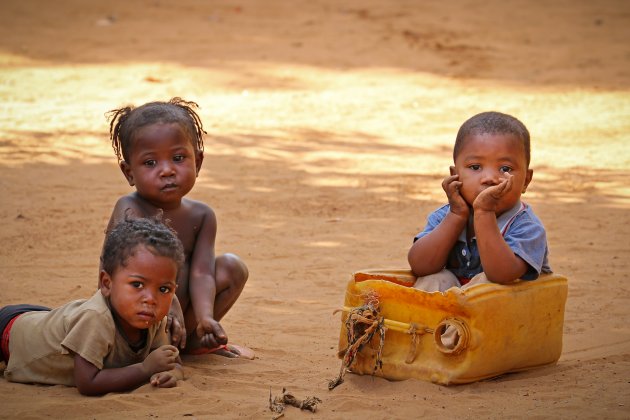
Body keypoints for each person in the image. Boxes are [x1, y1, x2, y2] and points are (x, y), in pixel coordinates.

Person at [102, 98, 252, 359]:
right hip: (133, 321)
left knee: (231, 267)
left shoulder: (202, 216)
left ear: (199, 162)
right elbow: (135, 276)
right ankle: (150, 351)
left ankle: (195, 340)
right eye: (150, 163)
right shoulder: (129, 209)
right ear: (129, 173)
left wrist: (205, 316)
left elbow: (203, 273)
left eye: (179, 158)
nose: (167, 170)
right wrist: (168, 303)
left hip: (178, 318)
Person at [1, 217, 185, 395]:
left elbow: (172, 363)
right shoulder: (96, 318)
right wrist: (145, 369)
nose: (151, 299)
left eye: (163, 289)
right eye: (137, 285)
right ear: (106, 284)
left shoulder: (152, 317)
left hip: (48, 320)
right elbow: (88, 382)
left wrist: (169, 374)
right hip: (10, 332)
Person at [408, 111, 551, 292]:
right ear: (455, 175)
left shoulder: (526, 227)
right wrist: (456, 215)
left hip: (506, 313)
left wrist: (484, 212)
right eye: (475, 167)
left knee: (487, 285)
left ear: (526, 180)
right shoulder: (445, 215)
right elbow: (420, 266)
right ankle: (428, 321)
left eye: (505, 168)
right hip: (450, 313)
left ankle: (456, 320)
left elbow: (501, 274)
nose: (489, 178)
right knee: (434, 278)